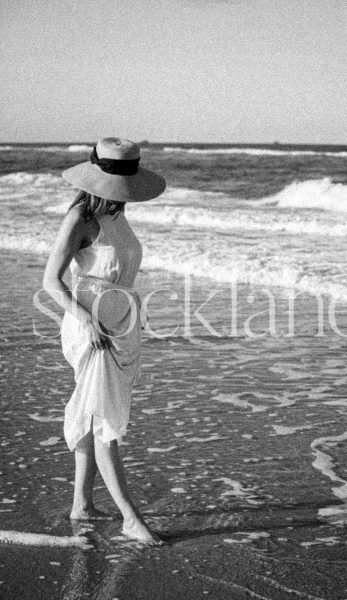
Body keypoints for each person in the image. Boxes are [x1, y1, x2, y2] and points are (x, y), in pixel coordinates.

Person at [42, 137, 166, 546]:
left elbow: (121, 271)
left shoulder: (116, 212)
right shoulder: (79, 217)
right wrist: (88, 321)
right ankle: (130, 517)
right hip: (91, 332)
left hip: (121, 327)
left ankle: (81, 504)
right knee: (103, 422)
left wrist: (131, 311)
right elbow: (51, 282)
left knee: (96, 413)